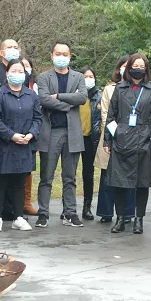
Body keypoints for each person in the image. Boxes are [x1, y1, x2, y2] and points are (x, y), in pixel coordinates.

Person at [104, 53, 151, 234]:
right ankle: (120, 218)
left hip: (143, 140)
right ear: (129, 68)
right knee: (119, 182)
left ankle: (139, 220)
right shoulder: (120, 88)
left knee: (142, 182)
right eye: (135, 65)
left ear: (146, 69)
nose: (138, 68)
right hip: (121, 140)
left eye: (141, 65)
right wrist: (109, 139)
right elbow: (111, 116)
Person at [36, 41, 87, 228]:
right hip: (51, 132)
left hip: (72, 133)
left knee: (70, 177)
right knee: (46, 176)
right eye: (58, 53)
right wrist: (68, 102)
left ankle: (70, 213)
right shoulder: (43, 77)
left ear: (70, 56)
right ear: (51, 55)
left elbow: (82, 97)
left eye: (65, 54)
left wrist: (57, 96)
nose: (61, 57)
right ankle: (43, 213)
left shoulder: (79, 77)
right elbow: (43, 99)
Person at [0, 58, 42, 232]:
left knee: (20, 183)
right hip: (4, 145)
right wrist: (11, 135)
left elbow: (37, 118)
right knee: (0, 182)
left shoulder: (31, 95)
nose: (17, 75)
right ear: (7, 73)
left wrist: (31, 134)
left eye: (21, 72)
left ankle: (18, 217)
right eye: (13, 71)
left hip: (25, 145)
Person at [94, 56, 137, 223]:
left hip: (133, 139)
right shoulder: (109, 89)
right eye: (123, 66)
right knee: (107, 176)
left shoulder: (139, 89)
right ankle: (106, 212)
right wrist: (117, 134)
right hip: (111, 137)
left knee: (130, 175)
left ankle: (127, 213)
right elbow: (105, 114)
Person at [78, 67, 101, 221]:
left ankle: (87, 207)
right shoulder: (75, 95)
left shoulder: (98, 97)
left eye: (91, 76)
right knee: (69, 174)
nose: (88, 79)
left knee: (88, 173)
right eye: (85, 76)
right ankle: (68, 206)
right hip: (74, 138)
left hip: (90, 139)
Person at [20, 56, 39, 216]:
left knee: (28, 168)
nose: (24, 70)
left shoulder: (35, 87)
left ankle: (26, 201)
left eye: (27, 66)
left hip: (31, 133)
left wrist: (32, 132)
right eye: (21, 66)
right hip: (13, 134)